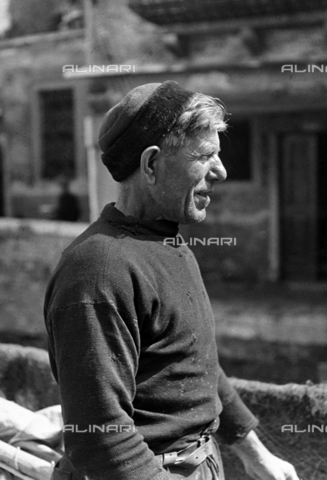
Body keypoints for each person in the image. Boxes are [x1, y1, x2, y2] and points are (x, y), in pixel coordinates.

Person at [44, 81, 299, 480]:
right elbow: (100, 439)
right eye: (205, 156)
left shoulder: (165, 243)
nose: (221, 171)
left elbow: (193, 363)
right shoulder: (97, 270)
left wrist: (255, 453)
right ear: (150, 165)